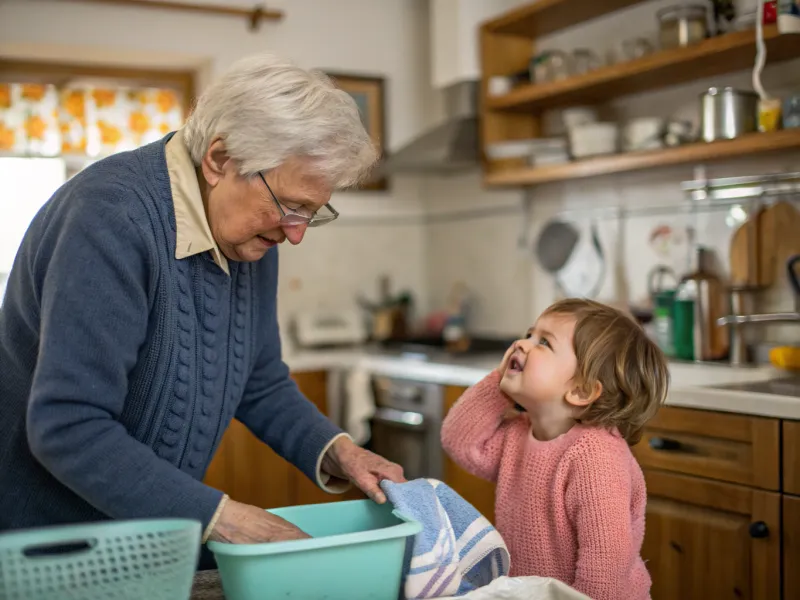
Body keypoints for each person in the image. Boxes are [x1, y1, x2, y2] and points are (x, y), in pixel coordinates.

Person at [0, 53, 404, 555]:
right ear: (219, 160)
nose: (296, 233)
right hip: (49, 545)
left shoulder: (250, 235)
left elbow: (258, 379)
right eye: (290, 206)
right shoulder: (110, 218)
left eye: (313, 213)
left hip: (149, 535)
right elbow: (68, 425)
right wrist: (221, 517)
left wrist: (338, 451)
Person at [441, 298, 669, 600]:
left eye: (544, 343)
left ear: (581, 390)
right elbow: (458, 440)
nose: (521, 344)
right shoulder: (520, 434)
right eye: (529, 334)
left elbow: (604, 575)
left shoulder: (596, 458)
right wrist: (500, 382)